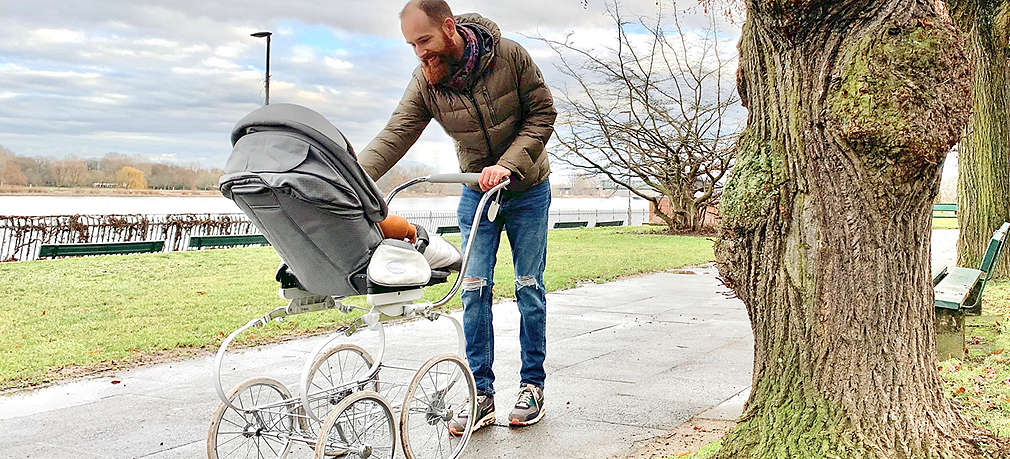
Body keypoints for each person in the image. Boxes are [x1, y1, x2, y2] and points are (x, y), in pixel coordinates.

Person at [358, 0, 556, 432]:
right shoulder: (427, 79)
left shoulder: (510, 56)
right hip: (475, 192)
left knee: (528, 287)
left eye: (425, 41)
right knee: (474, 288)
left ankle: (532, 387)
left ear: (449, 28)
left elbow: (543, 114)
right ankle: (480, 394)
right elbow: (397, 132)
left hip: (525, 189)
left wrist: (508, 163)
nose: (420, 53)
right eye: (411, 45)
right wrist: (349, 179)